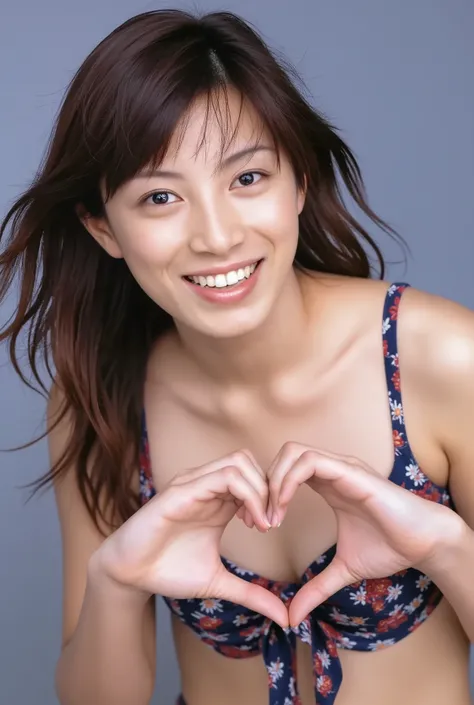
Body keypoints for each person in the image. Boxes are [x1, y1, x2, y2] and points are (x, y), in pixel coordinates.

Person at [0, 8, 473, 705]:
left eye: (247, 178)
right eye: (161, 197)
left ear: (299, 179)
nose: (217, 236)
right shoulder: (102, 397)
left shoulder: (440, 359)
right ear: (103, 227)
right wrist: (117, 581)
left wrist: (444, 545)